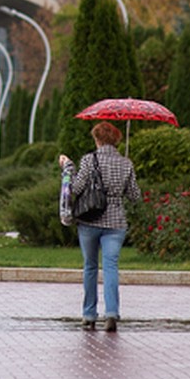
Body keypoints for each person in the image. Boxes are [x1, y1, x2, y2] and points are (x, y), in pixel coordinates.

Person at [58, 121, 142, 331]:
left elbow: (76, 187)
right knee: (111, 266)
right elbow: (135, 196)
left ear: (97, 139)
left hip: (89, 220)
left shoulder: (89, 160)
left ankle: (89, 314)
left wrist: (68, 168)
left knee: (90, 267)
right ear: (115, 140)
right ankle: (112, 313)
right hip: (116, 222)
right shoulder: (126, 163)